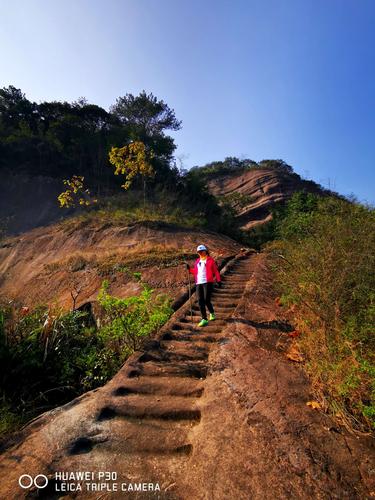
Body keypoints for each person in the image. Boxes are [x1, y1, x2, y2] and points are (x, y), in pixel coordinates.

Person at [186, 244, 222, 327]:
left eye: (202, 251)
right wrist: (189, 269)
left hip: (208, 282)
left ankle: (212, 313)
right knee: (200, 301)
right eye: (199, 252)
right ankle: (204, 319)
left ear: (205, 251)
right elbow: (195, 272)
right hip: (199, 282)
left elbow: (216, 271)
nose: (200, 253)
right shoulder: (197, 261)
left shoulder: (210, 260)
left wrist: (218, 280)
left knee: (206, 300)